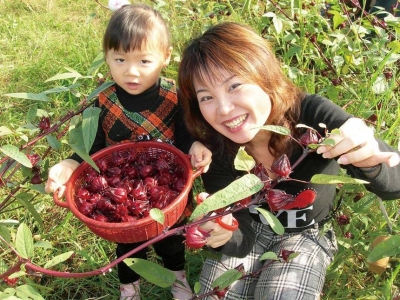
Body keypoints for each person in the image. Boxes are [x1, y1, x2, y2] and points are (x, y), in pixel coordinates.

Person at [177, 22, 400, 300]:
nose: (223, 109)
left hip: (305, 233)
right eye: (207, 97)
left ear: (264, 75)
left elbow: (394, 186)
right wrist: (224, 235)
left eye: (234, 85)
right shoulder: (218, 147)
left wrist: (369, 161)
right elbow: (241, 238)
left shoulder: (312, 116)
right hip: (252, 228)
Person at [45, 4, 212, 300]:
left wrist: (196, 146)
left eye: (144, 60)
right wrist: (71, 164)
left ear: (166, 57)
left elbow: (186, 135)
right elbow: (92, 145)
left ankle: (177, 277)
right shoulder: (102, 100)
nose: (131, 71)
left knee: (171, 240)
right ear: (106, 57)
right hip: (121, 190)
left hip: (168, 190)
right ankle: (130, 288)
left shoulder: (175, 96)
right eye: (120, 59)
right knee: (128, 247)